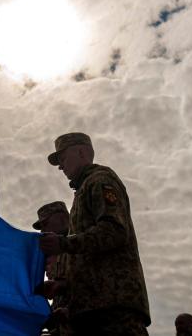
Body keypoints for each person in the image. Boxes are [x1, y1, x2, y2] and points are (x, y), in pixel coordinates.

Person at [39, 132, 150, 335]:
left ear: (82, 152)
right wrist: (63, 285)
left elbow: (114, 231)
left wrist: (63, 244)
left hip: (113, 307)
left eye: (62, 158)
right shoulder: (83, 191)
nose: (60, 166)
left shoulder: (99, 181)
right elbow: (88, 258)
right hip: (93, 308)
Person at [33, 201, 70, 336]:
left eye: (45, 224)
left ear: (61, 218)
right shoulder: (52, 253)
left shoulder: (81, 248)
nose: (42, 231)